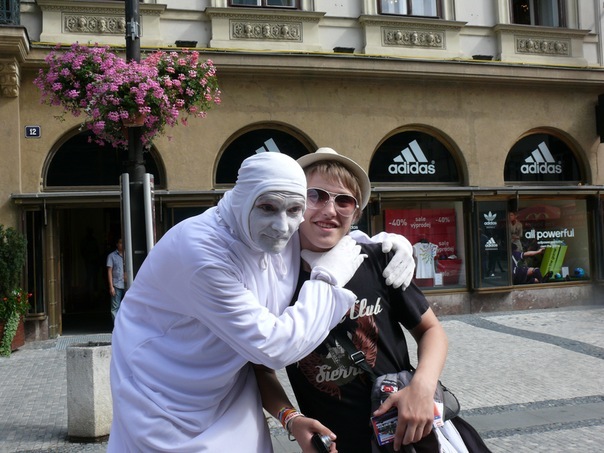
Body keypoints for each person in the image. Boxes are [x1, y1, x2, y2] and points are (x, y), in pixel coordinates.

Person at [108, 152, 415, 452]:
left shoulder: (264, 227)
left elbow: (322, 233)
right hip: (163, 398)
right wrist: (326, 281)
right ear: (241, 198)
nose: (282, 226)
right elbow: (274, 348)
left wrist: (384, 244)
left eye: (294, 210)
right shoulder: (202, 253)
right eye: (267, 207)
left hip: (231, 387)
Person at [255, 148, 491, 452]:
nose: (329, 210)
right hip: (337, 443)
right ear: (296, 204)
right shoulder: (273, 280)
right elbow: (260, 369)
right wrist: (291, 419)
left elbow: (431, 330)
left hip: (409, 435)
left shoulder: (378, 260)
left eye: (343, 201)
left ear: (356, 213)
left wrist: (422, 387)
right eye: (316, 196)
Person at [107, 237, 125, 321]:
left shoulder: (128, 254)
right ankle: (116, 325)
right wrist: (111, 287)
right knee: (115, 307)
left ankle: (125, 325)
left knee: (127, 306)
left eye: (123, 243)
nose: (122, 245)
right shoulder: (111, 256)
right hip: (116, 284)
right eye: (120, 243)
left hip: (127, 284)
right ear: (117, 244)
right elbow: (109, 271)